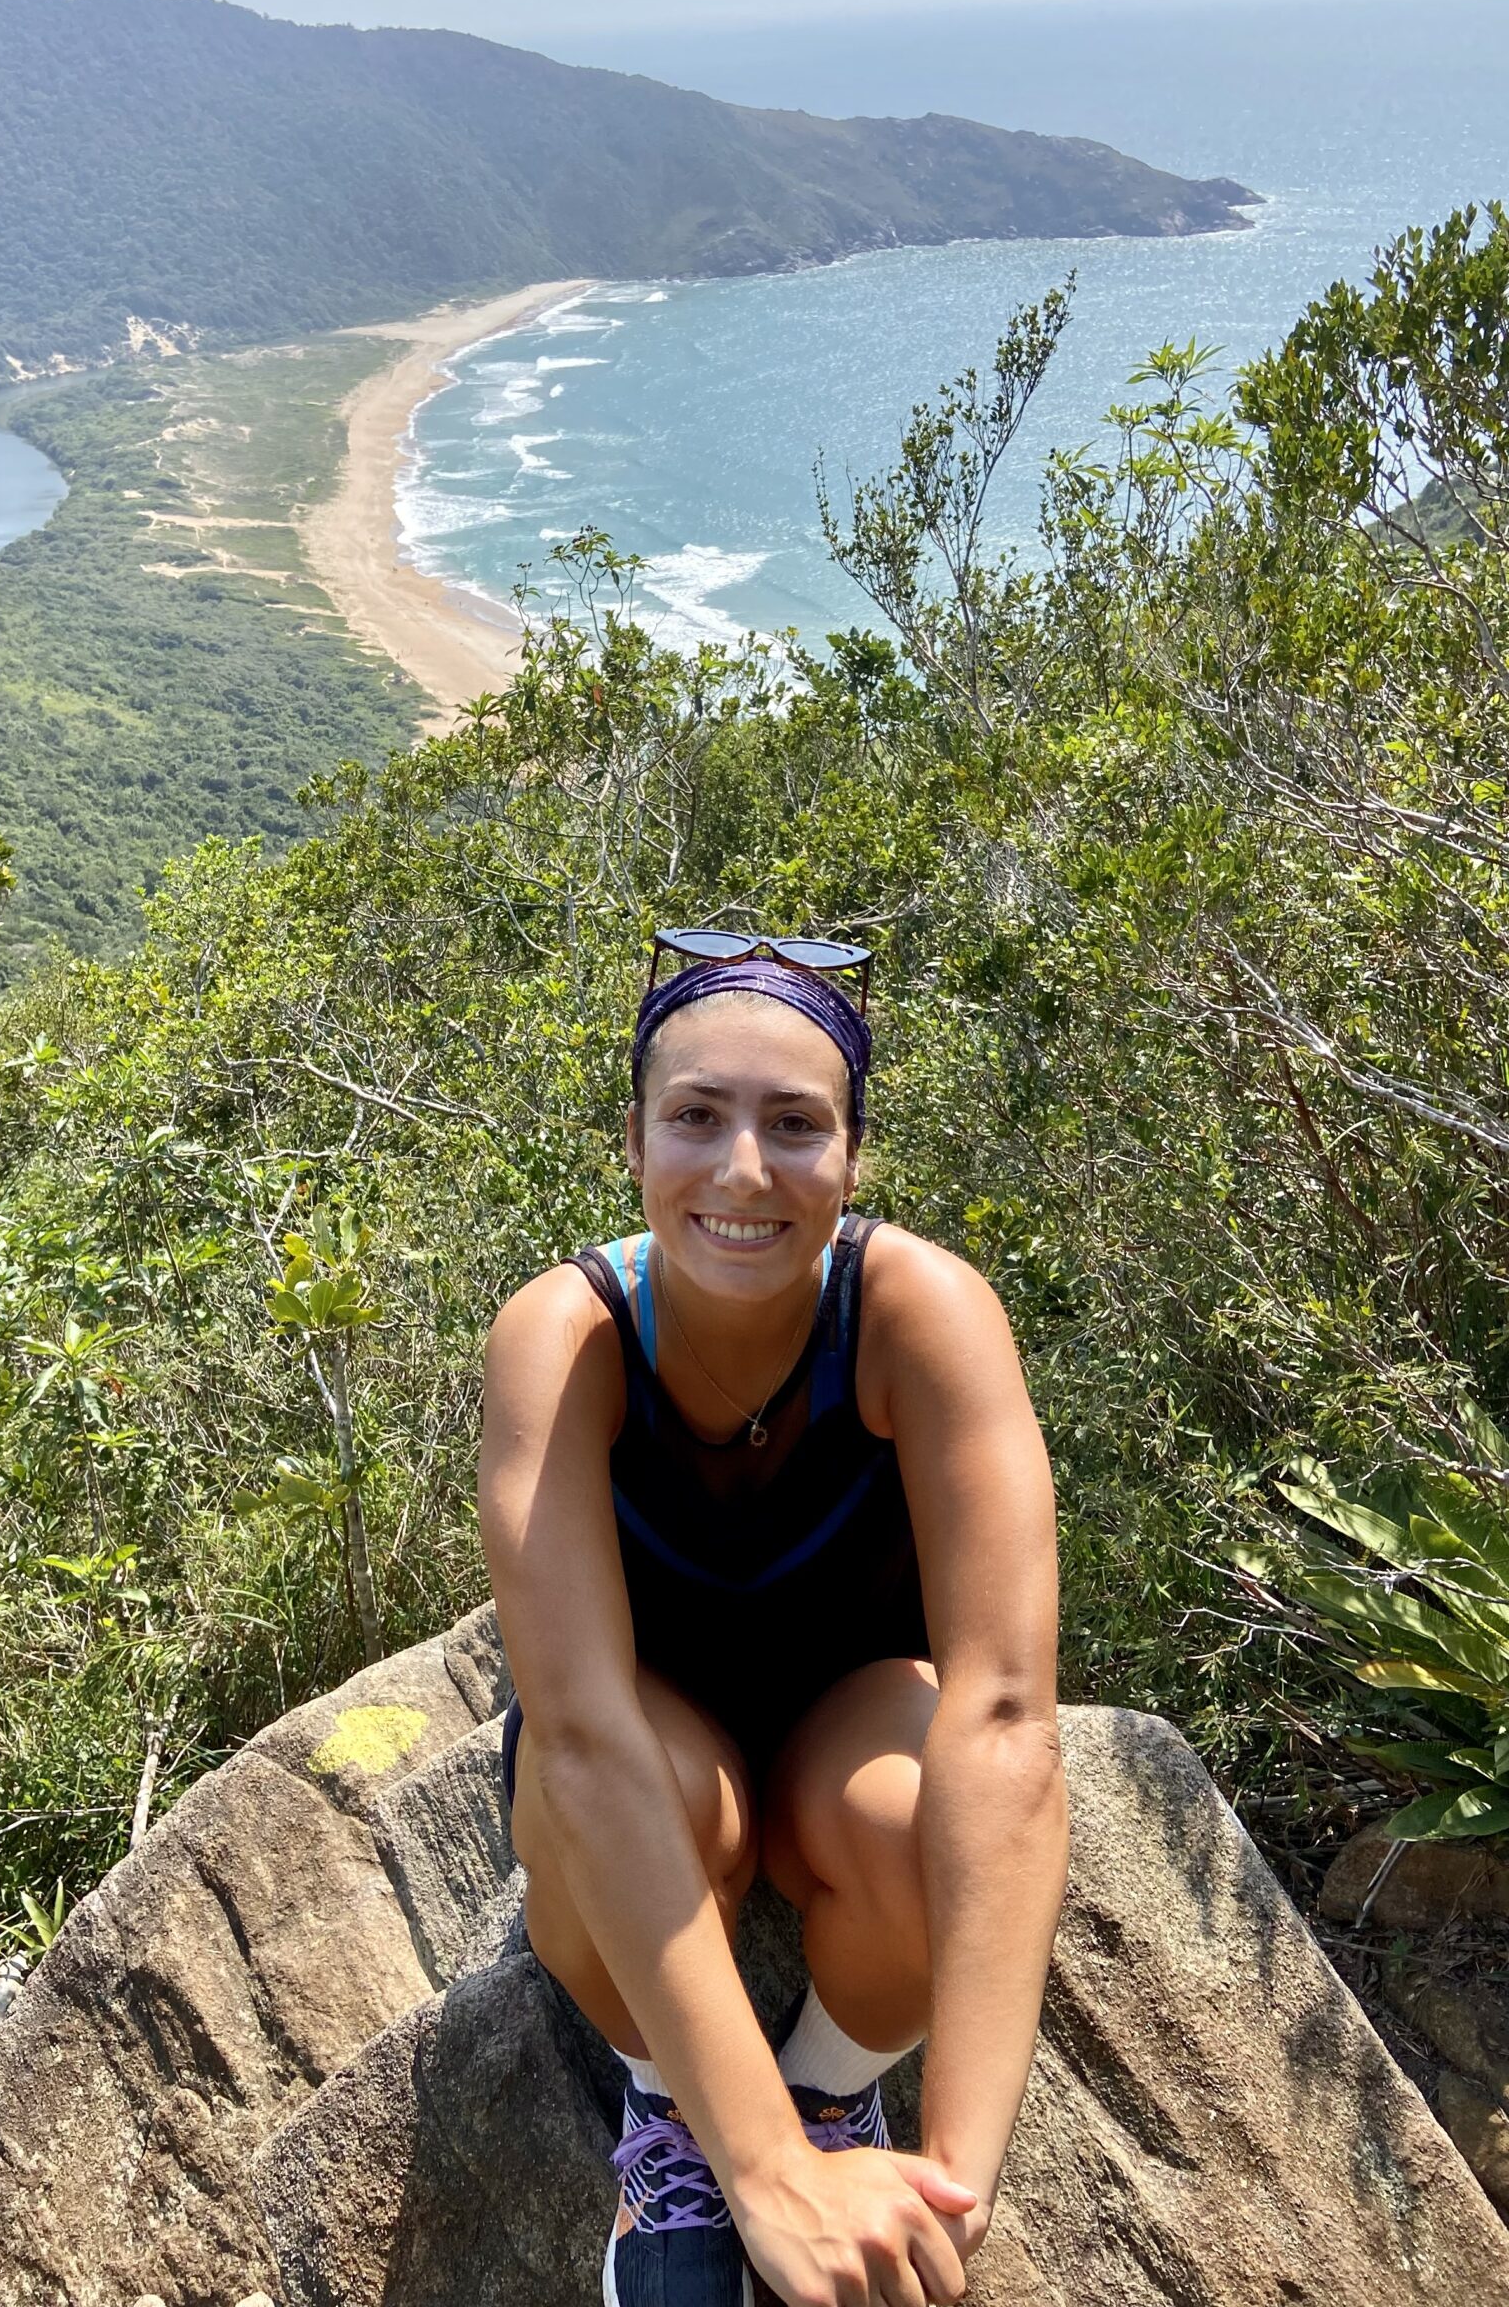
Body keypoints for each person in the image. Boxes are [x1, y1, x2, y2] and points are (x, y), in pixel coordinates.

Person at [477, 933, 1066, 2307]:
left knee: (913, 1813)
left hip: (847, 1712)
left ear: (853, 1156)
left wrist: (953, 2193)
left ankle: (832, 2092)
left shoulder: (920, 1315)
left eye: (797, 1125)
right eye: (697, 1116)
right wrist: (763, 2181)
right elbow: (578, 1736)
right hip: (644, 1736)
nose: (744, 1170)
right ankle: (678, 2123)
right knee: (618, 1801)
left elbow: (1002, 1717)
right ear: (634, 1140)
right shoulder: (566, 1335)